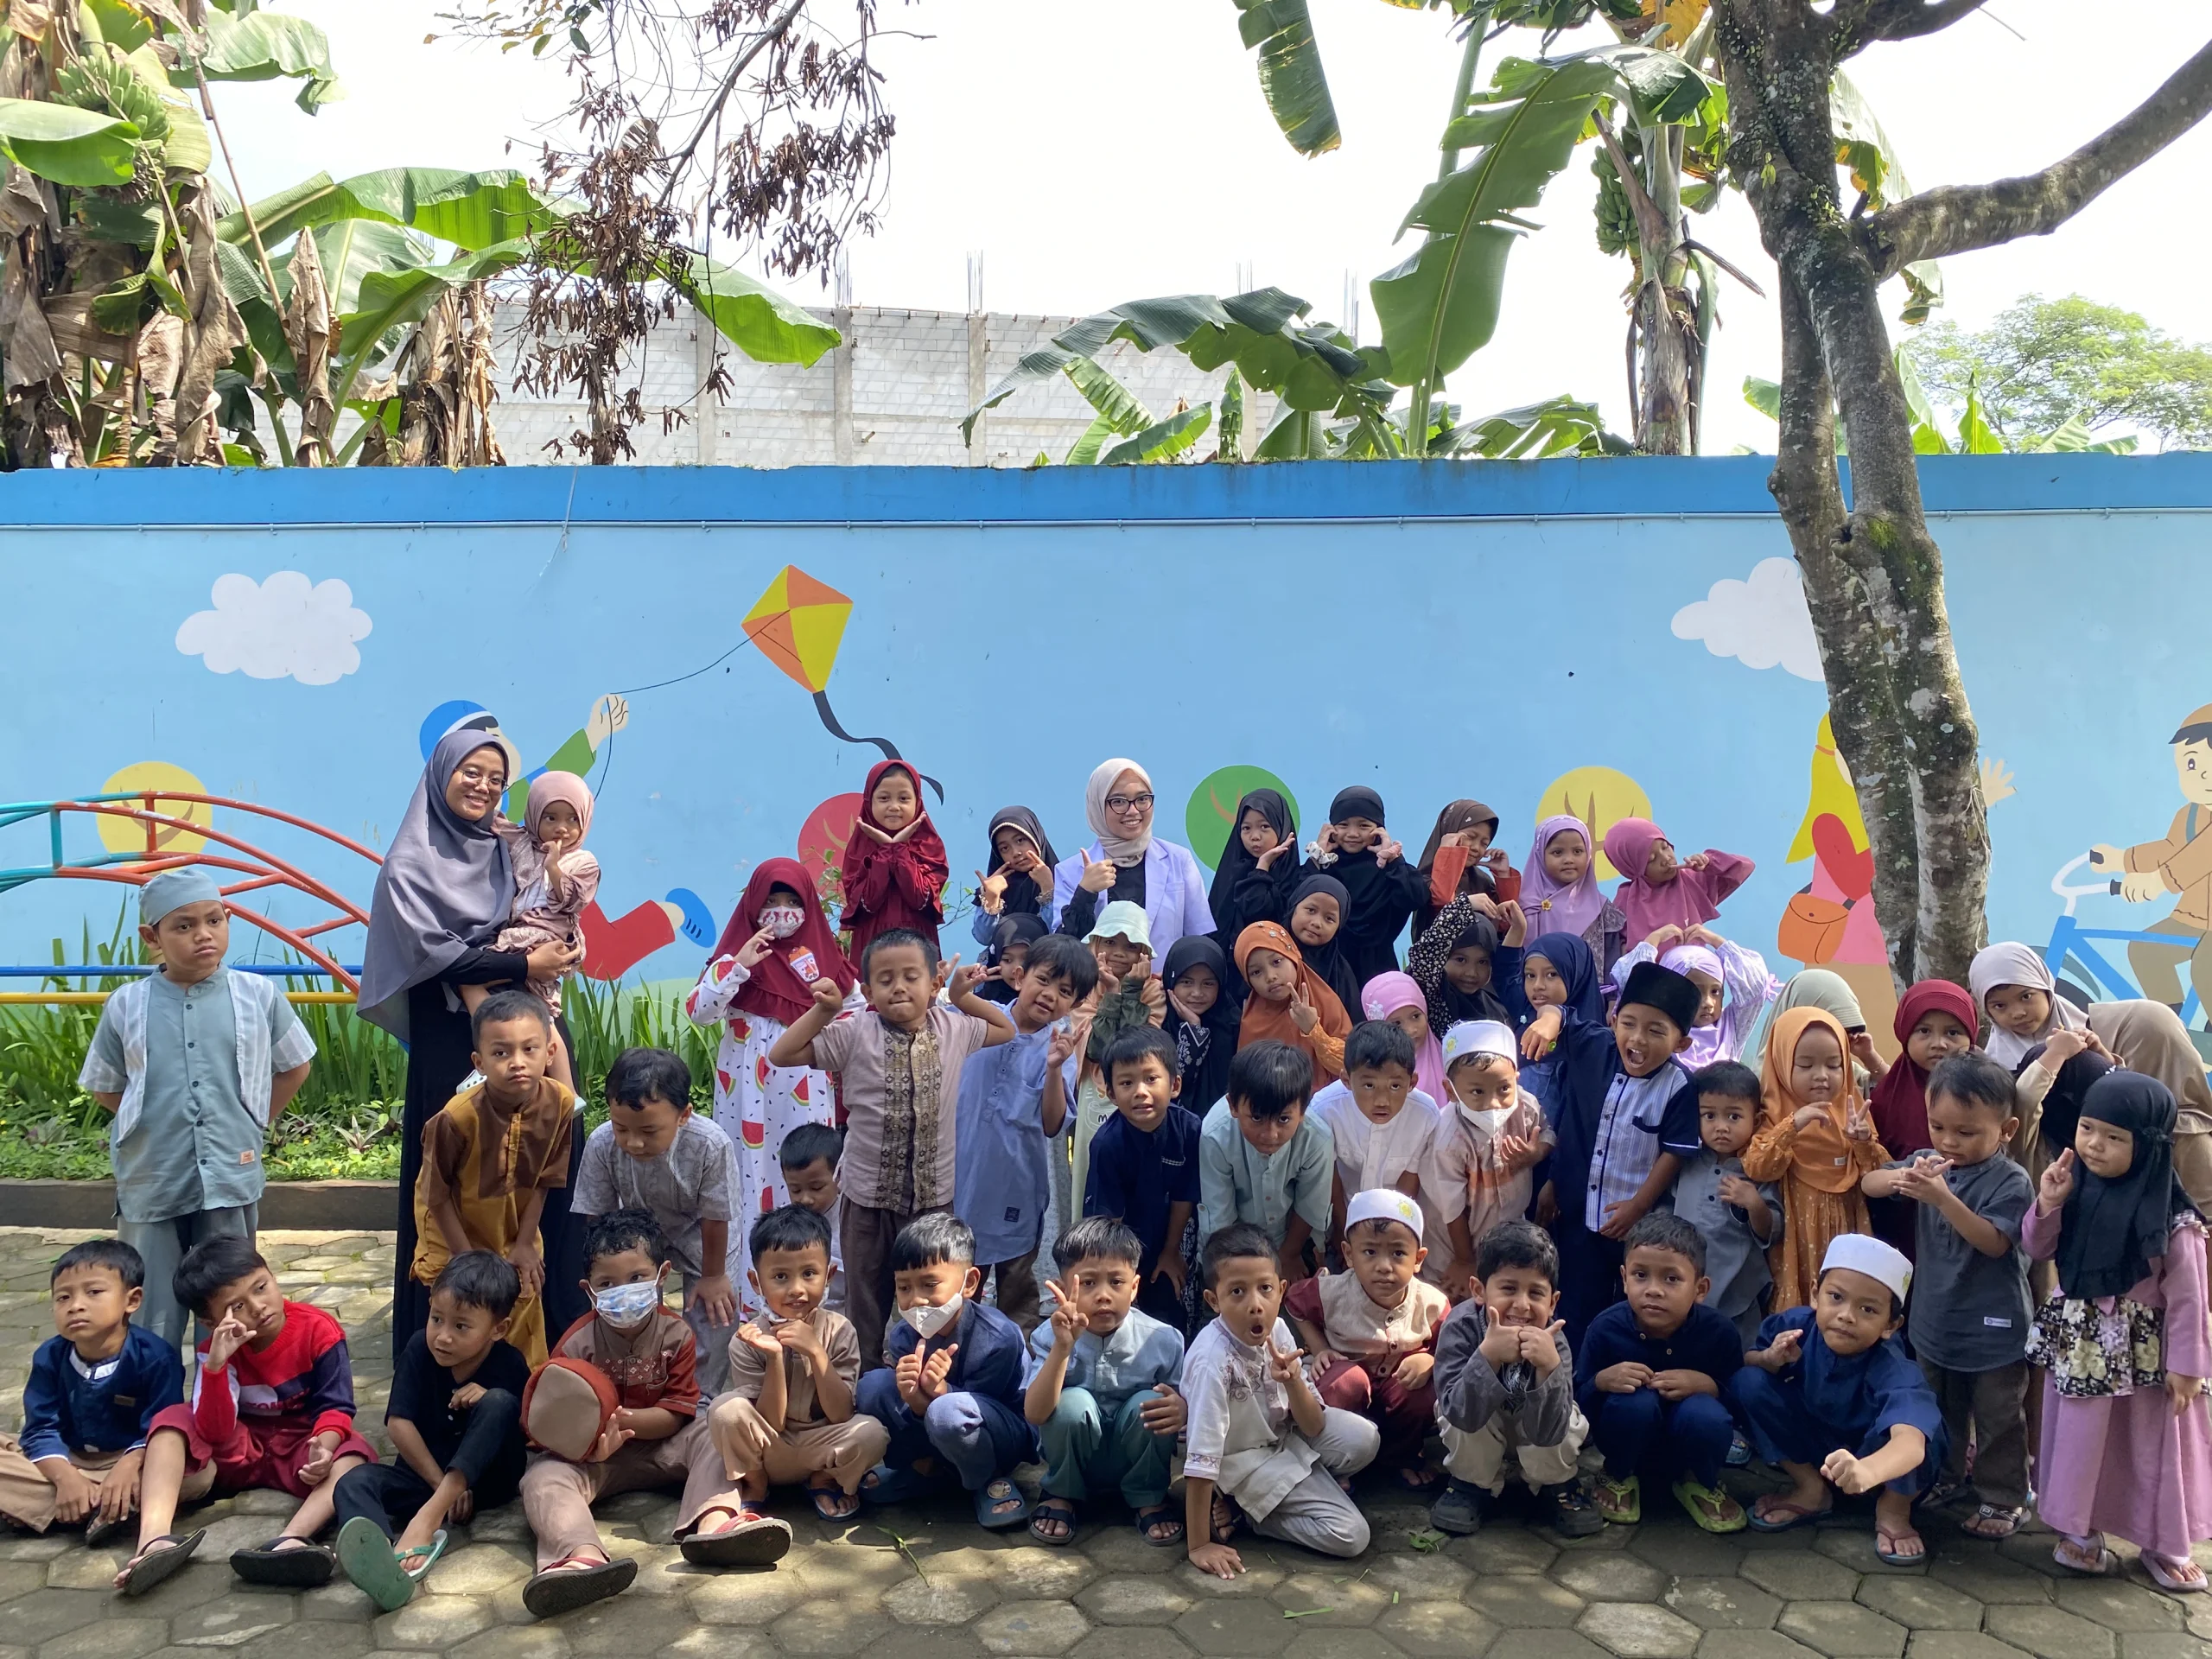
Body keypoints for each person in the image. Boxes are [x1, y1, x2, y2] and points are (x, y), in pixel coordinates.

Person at [359, 728, 583, 1350]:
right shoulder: (409, 864)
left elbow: (549, 913)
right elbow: (432, 952)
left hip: (528, 1024)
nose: (484, 787)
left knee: (551, 1150)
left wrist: (556, 952)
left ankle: (554, 1330)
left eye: (496, 778)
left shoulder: (507, 849)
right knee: (454, 1167)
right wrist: (524, 964)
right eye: (471, 772)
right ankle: (450, 1329)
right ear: (441, 776)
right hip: (452, 1035)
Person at [79, 868, 316, 1351]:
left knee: (230, 1296)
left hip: (230, 1171)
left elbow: (295, 1065)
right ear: (152, 937)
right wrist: (146, 1123)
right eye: (183, 926)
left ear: (228, 920)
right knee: (149, 1303)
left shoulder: (257, 996)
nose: (203, 935)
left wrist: (254, 1120)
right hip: (152, 1176)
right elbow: (107, 1086)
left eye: (213, 920)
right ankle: (155, 1391)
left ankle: (225, 1388)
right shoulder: (127, 1005)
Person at [768, 929, 1014, 1368]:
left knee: (934, 1296)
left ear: (933, 984)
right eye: (885, 980)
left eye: (910, 977)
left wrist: (963, 997)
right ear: (867, 992)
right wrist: (824, 1010)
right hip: (867, 1199)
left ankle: (931, 1375)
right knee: (866, 1296)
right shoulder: (852, 1033)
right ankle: (864, 1380)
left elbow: (1005, 1028)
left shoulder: (953, 1027)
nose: (898, 987)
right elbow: (782, 1054)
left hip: (933, 1200)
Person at [2024, 1071, 2212, 1589]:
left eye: (2114, 1136)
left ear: (2149, 1144)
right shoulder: (2074, 1188)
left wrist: (2189, 1368)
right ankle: (2080, 1531)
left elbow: (2191, 1299)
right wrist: (2048, 1203)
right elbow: (2038, 1247)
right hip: (2084, 1346)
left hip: (2149, 1359)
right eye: (2087, 1128)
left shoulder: (2173, 1220)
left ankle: (2165, 1542)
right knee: (2083, 1442)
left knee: (2155, 1446)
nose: (2094, 1145)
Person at [520, 1211, 750, 1616]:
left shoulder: (676, 1334)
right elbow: (552, 1423)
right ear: (589, 1290)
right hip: (593, 1458)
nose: (623, 1292)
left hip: (662, 1446)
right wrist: (588, 1444)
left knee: (712, 1432)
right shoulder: (574, 1345)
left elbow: (677, 1413)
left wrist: (618, 1422)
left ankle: (715, 1521)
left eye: (637, 1278)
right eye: (607, 1284)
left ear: (662, 1276)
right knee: (541, 1478)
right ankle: (580, 1556)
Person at [121, 1236, 379, 1593]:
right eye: (237, 1306)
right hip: (240, 1448)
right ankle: (153, 1542)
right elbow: (213, 1431)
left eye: (261, 1287)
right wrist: (216, 1366)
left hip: (301, 1447)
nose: (258, 1307)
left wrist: (325, 1446)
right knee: (170, 1420)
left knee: (354, 1454)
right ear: (211, 1322)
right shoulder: (213, 1350)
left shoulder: (319, 1330)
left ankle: (291, 1541)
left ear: (272, 1275)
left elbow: (336, 1405)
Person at [1859, 1052, 2033, 1540]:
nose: (1949, 1141)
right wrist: (1898, 1178)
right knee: (1939, 1408)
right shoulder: (1928, 1162)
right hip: (1934, 1320)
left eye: (1966, 1132)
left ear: (2007, 1130)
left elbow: (1994, 1242)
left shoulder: (2011, 1181)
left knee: (1999, 1418)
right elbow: (1870, 1182)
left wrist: (1941, 1197)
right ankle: (1945, 1476)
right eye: (1938, 1127)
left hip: (1994, 1328)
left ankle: (2003, 1497)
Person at [684, 857, 855, 1314]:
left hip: (805, 1085)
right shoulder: (731, 958)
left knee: (807, 1176)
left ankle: (813, 1297)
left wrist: (828, 1016)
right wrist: (738, 966)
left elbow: (856, 1013)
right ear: (753, 905)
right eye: (771, 900)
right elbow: (700, 1011)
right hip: (746, 1093)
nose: (781, 911)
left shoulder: (824, 958)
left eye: (792, 901)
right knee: (748, 1178)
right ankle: (753, 1302)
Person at [332, 1252, 530, 1610]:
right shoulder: (418, 1349)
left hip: (487, 1483)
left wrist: (487, 1397)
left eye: (461, 1327)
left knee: (500, 1402)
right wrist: (441, 1487)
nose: (443, 1337)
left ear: (498, 1329)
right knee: (353, 1482)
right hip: (427, 1478)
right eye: (436, 1319)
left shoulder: (510, 1363)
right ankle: (378, 1554)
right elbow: (398, 1423)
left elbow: (526, 1429)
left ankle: (426, 1520)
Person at [1732, 1235, 1944, 1566]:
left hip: (1879, 1471)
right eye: (1836, 1297)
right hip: (1818, 1455)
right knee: (1748, 1381)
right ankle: (1811, 1490)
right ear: (1815, 1294)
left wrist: (1867, 1471)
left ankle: (1893, 1510)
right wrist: (1769, 1360)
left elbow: (1912, 1444)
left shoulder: (1895, 1368)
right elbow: (1749, 1360)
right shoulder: (1795, 1326)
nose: (1847, 1315)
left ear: (1891, 1325)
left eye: (1868, 1309)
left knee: (1927, 1429)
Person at [1180, 1224, 1379, 1577]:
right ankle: (1247, 1515)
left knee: (1365, 1439)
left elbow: (1314, 1425)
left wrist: (1293, 1382)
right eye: (1237, 1292)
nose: (1255, 1305)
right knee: (1351, 1536)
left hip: (1286, 1437)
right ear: (1213, 1301)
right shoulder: (1213, 1361)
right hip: (1245, 1461)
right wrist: (1199, 1545)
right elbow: (1202, 1457)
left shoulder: (1278, 1330)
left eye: (1265, 1289)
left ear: (1281, 1290)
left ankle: (1291, 1494)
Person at [1522, 961, 1705, 1344]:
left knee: (1623, 1310)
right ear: (1613, 1019)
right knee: (1571, 1300)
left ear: (1681, 1043)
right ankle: (1569, 1370)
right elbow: (1561, 1015)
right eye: (1629, 1024)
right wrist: (1548, 1020)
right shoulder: (1593, 1047)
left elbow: (1673, 1153)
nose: (1638, 1039)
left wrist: (1638, 1206)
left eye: (1656, 1031)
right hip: (1572, 1211)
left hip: (1627, 1224)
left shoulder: (1679, 1086)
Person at [412, 991, 575, 1367]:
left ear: (550, 1052)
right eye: (501, 1053)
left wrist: (525, 1242)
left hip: (516, 1233)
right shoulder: (456, 1117)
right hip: (453, 1236)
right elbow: (435, 1195)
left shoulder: (560, 1103)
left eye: (529, 1049)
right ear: (479, 1062)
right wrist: (465, 1259)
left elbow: (547, 1178)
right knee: (462, 1323)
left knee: (521, 1315)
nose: (517, 1063)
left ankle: (523, 1395)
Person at [704, 1205, 887, 1531]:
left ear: (829, 1275)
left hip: (822, 1445)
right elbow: (770, 1422)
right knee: (725, 1410)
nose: (796, 1289)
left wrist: (816, 1353)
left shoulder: (840, 1330)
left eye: (809, 1273)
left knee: (872, 1433)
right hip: (767, 1451)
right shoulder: (747, 1339)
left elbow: (841, 1415)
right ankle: (756, 1484)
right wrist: (775, 1357)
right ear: (756, 1282)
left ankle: (823, 1479)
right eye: (780, 1277)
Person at [0, 1240, 193, 1545]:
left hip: (133, 1463)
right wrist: (66, 1477)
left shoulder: (156, 1357)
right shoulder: (49, 1357)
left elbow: (162, 1429)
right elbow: (39, 1431)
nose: (75, 1305)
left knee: (202, 1470)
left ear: (132, 1300)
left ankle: (61, 1506)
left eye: (93, 1292)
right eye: (63, 1297)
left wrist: (128, 1465)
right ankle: (104, 1505)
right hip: (67, 1458)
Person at [854, 1213, 1036, 1529]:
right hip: (936, 1423)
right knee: (872, 1387)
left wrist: (940, 1392)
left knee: (948, 1410)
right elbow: (918, 1408)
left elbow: (986, 1409)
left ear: (970, 1283)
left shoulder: (999, 1338)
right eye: (904, 1287)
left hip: (1000, 1433)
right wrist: (914, 1396)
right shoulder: (903, 1337)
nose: (916, 1299)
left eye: (930, 1284)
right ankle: (926, 1469)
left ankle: (987, 1480)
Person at [571, 1046, 739, 1389]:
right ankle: (644, 1385)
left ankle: (702, 1393)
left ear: (684, 1115)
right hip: (634, 1235)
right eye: (622, 1128)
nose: (633, 1143)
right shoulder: (601, 1143)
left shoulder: (710, 1144)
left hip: (702, 1234)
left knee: (715, 1310)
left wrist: (713, 1276)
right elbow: (597, 1217)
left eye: (649, 1131)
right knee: (632, 1310)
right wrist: (608, 1276)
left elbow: (716, 1216)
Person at [954, 932, 1094, 1332]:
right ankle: (955, 1354)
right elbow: (958, 1001)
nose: (1050, 995)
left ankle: (1022, 1361)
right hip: (961, 1180)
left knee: (1017, 1291)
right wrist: (959, 988)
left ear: (1074, 1004)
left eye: (1064, 991)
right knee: (957, 1285)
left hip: (1016, 1187)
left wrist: (1054, 1067)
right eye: (1044, 980)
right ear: (1019, 977)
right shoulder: (983, 1018)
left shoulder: (1060, 1047)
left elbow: (1053, 1124)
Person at [1576, 1212, 1748, 1533]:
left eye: (1671, 1279)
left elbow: (1740, 1406)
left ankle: (1699, 1482)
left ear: (1700, 1288)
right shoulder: (1605, 1329)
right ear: (1624, 1278)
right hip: (1626, 1442)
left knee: (1705, 1413)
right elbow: (1577, 1401)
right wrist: (1601, 1381)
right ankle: (1617, 1475)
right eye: (1641, 1275)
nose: (1653, 1290)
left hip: (1692, 1447)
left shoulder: (1720, 1333)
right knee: (1635, 1403)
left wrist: (1709, 1386)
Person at [1023, 1216, 1188, 1548]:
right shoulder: (1048, 1337)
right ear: (1063, 1288)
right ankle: (1062, 1493)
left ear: (1134, 1287)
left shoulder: (1163, 1339)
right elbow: (1035, 1414)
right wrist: (1062, 1349)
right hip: (1075, 1460)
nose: (1103, 1295)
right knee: (1071, 1403)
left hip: (1138, 1458)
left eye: (1116, 1282)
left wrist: (1183, 1409)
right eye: (1087, 1283)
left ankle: (1147, 1495)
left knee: (1152, 1402)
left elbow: (1187, 1406)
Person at [1427, 1221, 1598, 1538]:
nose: (1522, 1305)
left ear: (1552, 1302)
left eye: (1536, 1293)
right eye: (1508, 1289)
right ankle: (1471, 1483)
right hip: (1478, 1422)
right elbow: (1459, 1413)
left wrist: (1548, 1369)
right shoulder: (1461, 1327)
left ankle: (1554, 1482)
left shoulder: (1554, 1340)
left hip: (1535, 1430)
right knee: (1450, 1409)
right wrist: (1487, 1358)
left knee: (1569, 1417)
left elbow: (1551, 1431)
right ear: (1479, 1290)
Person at [1283, 1190, 1449, 1489]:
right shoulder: (1332, 1292)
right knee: (1344, 1382)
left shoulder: (1432, 1303)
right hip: (1349, 1383)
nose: (1384, 1266)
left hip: (1399, 1389)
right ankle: (1344, 1459)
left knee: (1423, 1392)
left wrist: (1431, 1359)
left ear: (1418, 1259)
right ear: (1349, 1255)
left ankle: (1401, 1457)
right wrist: (1320, 1349)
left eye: (1398, 1253)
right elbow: (1294, 1302)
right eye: (1370, 1252)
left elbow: (1451, 1344)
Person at [1743, 1007, 1890, 1311]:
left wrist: (1862, 1141)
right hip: (1796, 1238)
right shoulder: (1771, 1114)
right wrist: (1792, 1125)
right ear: (1782, 1063)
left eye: (1834, 1065)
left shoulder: (1852, 1110)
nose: (1822, 1075)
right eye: (1806, 1065)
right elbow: (1757, 1167)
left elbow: (1880, 1174)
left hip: (1846, 1228)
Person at [470, 771, 598, 1092]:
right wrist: (489, 788)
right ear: (534, 815)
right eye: (550, 817)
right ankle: (487, 1060)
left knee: (539, 1011)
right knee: (531, 1009)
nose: (562, 828)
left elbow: (572, 901)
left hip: (546, 936)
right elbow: (494, 823)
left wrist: (554, 867)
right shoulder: (524, 842)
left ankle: (567, 1094)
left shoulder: (583, 862)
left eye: (572, 819)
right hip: (518, 933)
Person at [1085, 1027, 1202, 1329]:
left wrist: (1171, 1251)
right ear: (1111, 1093)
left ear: (1174, 1084)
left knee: (1171, 1312)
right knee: (1122, 1320)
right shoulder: (1107, 1145)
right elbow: (1109, 1223)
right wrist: (1120, 1278)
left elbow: (1185, 1195)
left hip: (1171, 1240)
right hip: (1120, 1246)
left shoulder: (1189, 1130)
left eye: (1151, 1079)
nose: (1140, 1091)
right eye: (1127, 1082)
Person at [1668, 1060, 1783, 1346]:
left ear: (1755, 1120)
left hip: (1737, 1294)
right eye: (1709, 1116)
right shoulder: (1686, 1161)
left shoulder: (1758, 1171)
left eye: (1733, 1117)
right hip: (1680, 1284)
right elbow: (1666, 1209)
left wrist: (1754, 1204)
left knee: (1733, 1353)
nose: (1721, 1127)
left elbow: (1772, 1230)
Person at [1198, 1041, 1335, 1281]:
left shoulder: (1317, 1138)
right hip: (1229, 1244)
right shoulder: (1215, 1135)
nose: (1270, 1134)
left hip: (1292, 1240)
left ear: (1302, 1111)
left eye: (1283, 1120)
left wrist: (1288, 1255)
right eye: (1257, 1118)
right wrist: (1247, 1273)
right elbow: (1220, 1218)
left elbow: (1310, 1205)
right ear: (1233, 1106)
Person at [1864, 979, 1981, 1255]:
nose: (1938, 1044)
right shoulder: (1886, 1097)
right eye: (1924, 1031)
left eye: (1953, 1033)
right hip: (1901, 1227)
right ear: (1905, 1034)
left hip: (1970, 1223)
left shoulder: (1986, 1090)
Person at [1428, 1020, 1552, 1283]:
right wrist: (1465, 1260)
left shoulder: (1526, 1105)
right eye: (1477, 1092)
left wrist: (1535, 1154)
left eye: (1504, 1089)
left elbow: (1547, 1133)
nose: (1493, 1103)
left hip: (1511, 1226)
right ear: (1451, 1091)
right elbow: (1453, 1209)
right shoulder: (1449, 1140)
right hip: (1461, 1241)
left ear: (1516, 1079)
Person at [1307, 1020, 1440, 1261]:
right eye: (1369, 1085)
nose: (1382, 1100)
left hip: (1397, 1220)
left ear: (1412, 1082)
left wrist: (1394, 1235)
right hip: (1339, 1217)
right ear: (1346, 1080)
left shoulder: (1425, 1114)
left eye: (1395, 1086)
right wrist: (1344, 1231)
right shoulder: (1325, 1109)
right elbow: (1330, 1177)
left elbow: (1410, 1180)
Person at [1054, 759, 1215, 957]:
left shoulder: (1179, 860)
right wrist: (1085, 893)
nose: (1133, 811)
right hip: (1093, 978)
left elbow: (1200, 941)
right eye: (1119, 801)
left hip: (1162, 978)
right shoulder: (1070, 871)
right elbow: (1061, 950)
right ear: (1097, 806)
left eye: (1142, 799)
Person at [1070, 901, 1165, 1215]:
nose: (1119, 953)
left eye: (1131, 946)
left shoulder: (1153, 991)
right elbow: (1098, 1049)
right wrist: (1111, 994)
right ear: (1095, 943)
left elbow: (1135, 1049)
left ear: (1144, 953)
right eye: (1110, 942)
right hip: (1094, 1092)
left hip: (1141, 1093)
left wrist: (1132, 991)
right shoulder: (1084, 986)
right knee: (1091, 1170)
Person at [1300, 787, 1427, 987]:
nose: (1353, 833)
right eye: (1343, 825)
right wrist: (1317, 857)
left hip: (1378, 972)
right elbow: (1295, 900)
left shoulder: (1390, 869)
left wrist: (1393, 860)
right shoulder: (1324, 868)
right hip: (1327, 972)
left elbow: (1415, 898)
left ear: (1379, 829)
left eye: (1364, 825)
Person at [1611, 926, 1779, 1069]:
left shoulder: (1731, 1026)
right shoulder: (1657, 1027)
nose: (1708, 1003)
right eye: (1696, 993)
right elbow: (1629, 983)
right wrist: (1653, 940)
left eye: (1715, 991)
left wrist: (1716, 941)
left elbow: (1755, 987)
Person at [837, 760, 948, 965]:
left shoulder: (929, 846)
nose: (894, 807)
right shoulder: (859, 849)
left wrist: (898, 850)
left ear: (918, 802)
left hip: (918, 945)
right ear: (869, 802)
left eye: (904, 798)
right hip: (872, 946)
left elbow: (920, 898)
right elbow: (867, 903)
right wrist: (887, 852)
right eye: (884, 798)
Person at [1500, 930, 1605, 1117]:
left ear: (1576, 974)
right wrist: (1518, 928)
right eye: (1530, 975)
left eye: (1551, 974)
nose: (1538, 985)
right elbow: (1505, 974)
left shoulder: (1587, 1036)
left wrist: (1553, 1016)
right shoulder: (1526, 1009)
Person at [1600, 818, 1754, 945]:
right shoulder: (1625, 899)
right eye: (1651, 859)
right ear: (1633, 868)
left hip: (1694, 971)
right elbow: (1615, 951)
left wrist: (1710, 863)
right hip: (1650, 974)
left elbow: (1745, 867)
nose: (1666, 858)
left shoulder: (1692, 880)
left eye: (1665, 847)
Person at [1207, 787, 1300, 999]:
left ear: (1282, 827)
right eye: (1246, 828)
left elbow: (1259, 914)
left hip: (1281, 987)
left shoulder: (1296, 878)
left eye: (1264, 827)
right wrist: (1261, 867)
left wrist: (1262, 869)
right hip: (1233, 983)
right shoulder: (1232, 873)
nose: (1254, 837)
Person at [1235, 919, 1351, 1084]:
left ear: (1293, 956)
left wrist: (1315, 1031)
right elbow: (1246, 1080)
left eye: (1276, 962)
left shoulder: (1326, 1002)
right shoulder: (1252, 1023)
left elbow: (1352, 1066)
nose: (1270, 977)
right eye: (1256, 972)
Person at [1518, 814, 1625, 970]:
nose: (1569, 859)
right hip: (1534, 985)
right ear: (1540, 855)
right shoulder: (1525, 906)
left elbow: (1611, 965)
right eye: (1557, 852)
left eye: (1577, 851)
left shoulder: (1602, 909)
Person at [1413, 799, 1520, 944]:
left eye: (1484, 843)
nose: (1476, 847)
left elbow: (1506, 925)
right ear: (1448, 833)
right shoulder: (1423, 879)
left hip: (1481, 958)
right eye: (1470, 837)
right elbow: (1441, 901)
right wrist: (1449, 854)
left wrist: (1503, 876)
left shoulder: (1483, 882)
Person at [1967, 943, 2088, 1070]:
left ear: (2046, 989)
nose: (2018, 1013)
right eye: (2000, 1005)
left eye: (2026, 997)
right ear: (1988, 1012)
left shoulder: (2094, 1030)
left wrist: (2099, 1052)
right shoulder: (1993, 1069)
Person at [1408, 904, 1513, 1041]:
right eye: (1461, 960)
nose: (1471, 973)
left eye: (1482, 962)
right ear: (1442, 957)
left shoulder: (1497, 1008)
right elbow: (1425, 954)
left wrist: (1518, 929)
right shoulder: (1435, 998)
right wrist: (1462, 906)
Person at [1161, 937, 1238, 1115]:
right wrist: (1194, 1029)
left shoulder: (1234, 1026)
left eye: (1208, 984)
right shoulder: (1156, 1021)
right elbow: (1174, 1083)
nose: (1197, 993)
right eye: (1186, 982)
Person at [779, 1122, 846, 1311]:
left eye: (816, 1188)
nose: (805, 1199)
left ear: (839, 1175)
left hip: (847, 1313)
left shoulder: (851, 1220)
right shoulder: (783, 1223)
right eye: (795, 1190)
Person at [970, 805, 1059, 944]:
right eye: (1005, 848)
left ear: (1036, 836)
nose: (1016, 852)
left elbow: (1061, 932)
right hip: (1004, 958)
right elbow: (984, 938)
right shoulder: (996, 887)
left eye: (1020, 841)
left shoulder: (1064, 880)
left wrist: (1048, 888)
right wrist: (992, 897)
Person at [1360, 969, 1448, 1107]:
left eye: (1416, 1016)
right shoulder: (1369, 1070)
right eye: (1396, 1023)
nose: (1411, 1030)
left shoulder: (1448, 1059)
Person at [976, 912, 1049, 1006]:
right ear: (996, 960)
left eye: (1026, 960)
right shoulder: (978, 1004)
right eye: (1007, 960)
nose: (1017, 969)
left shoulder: (1052, 1006)